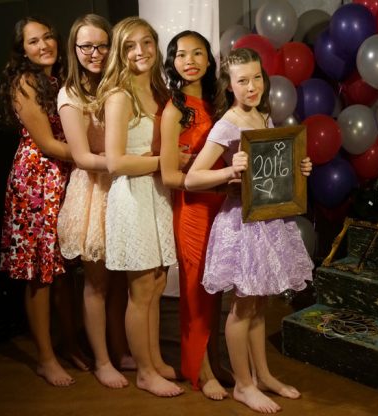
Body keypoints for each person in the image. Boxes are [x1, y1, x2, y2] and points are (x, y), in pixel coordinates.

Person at [185, 48, 314, 413]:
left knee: (259, 306)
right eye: (242, 80)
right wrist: (229, 170)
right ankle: (243, 384)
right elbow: (193, 178)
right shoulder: (227, 124)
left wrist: (297, 168)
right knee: (242, 309)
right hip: (242, 226)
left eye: (256, 77)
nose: (252, 86)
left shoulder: (263, 117)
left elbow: (271, 171)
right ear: (229, 85)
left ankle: (263, 376)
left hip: (269, 220)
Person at [95, 16, 183, 397]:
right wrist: (165, 162)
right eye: (130, 46)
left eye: (146, 43)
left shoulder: (160, 91)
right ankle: (145, 371)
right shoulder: (119, 95)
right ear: (120, 52)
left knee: (158, 280)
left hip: (157, 195)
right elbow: (115, 162)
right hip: (132, 196)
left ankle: (155, 359)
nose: (140, 52)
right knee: (141, 289)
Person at [0, 16, 86, 386]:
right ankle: (46, 358)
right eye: (33, 41)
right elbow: (48, 144)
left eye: (48, 37)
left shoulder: (58, 79)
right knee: (39, 274)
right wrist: (96, 154)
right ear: (22, 51)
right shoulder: (25, 82)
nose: (44, 45)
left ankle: (68, 345)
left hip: (64, 177)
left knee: (66, 271)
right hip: (37, 182)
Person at [56, 14, 131, 389]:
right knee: (97, 283)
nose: (95, 53)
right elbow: (82, 157)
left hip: (122, 187)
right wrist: (125, 165)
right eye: (86, 45)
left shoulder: (119, 85)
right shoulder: (70, 93)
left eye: (101, 44)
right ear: (75, 49)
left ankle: (119, 350)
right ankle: (102, 360)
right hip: (94, 190)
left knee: (121, 282)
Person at [160, 30, 230, 400]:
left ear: (208, 60)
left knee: (216, 288)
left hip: (223, 207)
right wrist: (216, 185)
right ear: (172, 62)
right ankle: (200, 370)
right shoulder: (174, 110)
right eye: (181, 54)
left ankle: (216, 360)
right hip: (192, 210)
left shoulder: (220, 106)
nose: (190, 60)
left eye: (198, 53)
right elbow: (171, 175)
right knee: (194, 289)